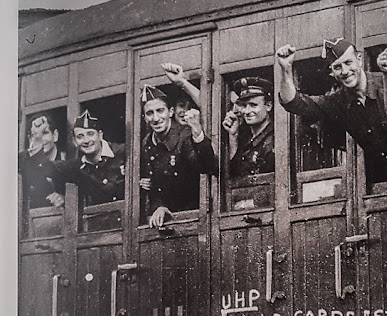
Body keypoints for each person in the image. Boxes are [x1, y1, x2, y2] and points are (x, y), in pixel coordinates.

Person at [277, 39, 387, 201]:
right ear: (332, 72)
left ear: (359, 60)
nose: (345, 71)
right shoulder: (338, 101)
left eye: (348, 62)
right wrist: (286, 69)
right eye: (338, 67)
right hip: (383, 188)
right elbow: (293, 103)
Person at [139, 84, 217, 228]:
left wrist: (198, 135)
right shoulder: (147, 143)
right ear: (145, 118)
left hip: (193, 217)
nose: (156, 118)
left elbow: (207, 166)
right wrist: (159, 207)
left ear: (170, 112)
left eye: (160, 111)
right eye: (150, 113)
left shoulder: (185, 136)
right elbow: (154, 186)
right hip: (165, 217)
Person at [45, 110, 126, 207]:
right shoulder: (77, 166)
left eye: (90, 134)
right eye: (80, 136)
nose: (86, 140)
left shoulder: (122, 152)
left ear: (100, 135)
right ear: (75, 142)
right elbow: (49, 167)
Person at [222, 77, 275, 177]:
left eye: (253, 105)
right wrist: (233, 136)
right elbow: (235, 176)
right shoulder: (245, 138)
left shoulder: (275, 139)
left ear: (268, 105)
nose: (246, 111)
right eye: (244, 105)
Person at [18, 113, 65, 208]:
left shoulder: (66, 158)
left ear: (55, 135)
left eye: (45, 133)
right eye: (34, 135)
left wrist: (65, 198)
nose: (40, 140)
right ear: (30, 139)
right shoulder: (22, 160)